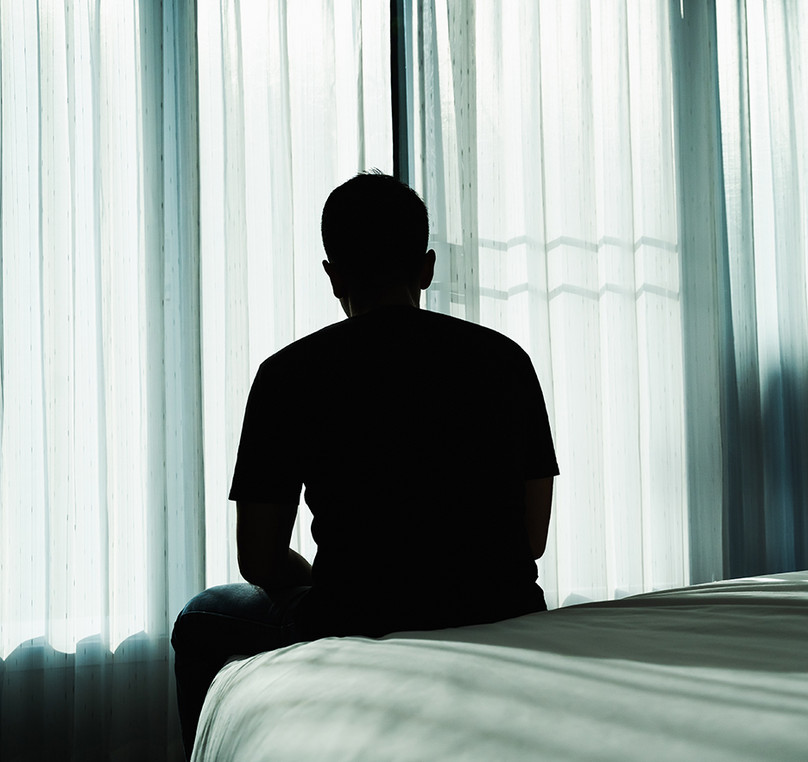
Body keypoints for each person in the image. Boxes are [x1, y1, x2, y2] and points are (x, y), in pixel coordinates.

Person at [171, 171, 558, 755]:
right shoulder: (507, 361)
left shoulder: (288, 374)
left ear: (333, 275)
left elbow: (259, 558)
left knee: (200, 618)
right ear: (426, 268)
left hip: (359, 616)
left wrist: (332, 576)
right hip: (502, 611)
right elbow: (531, 539)